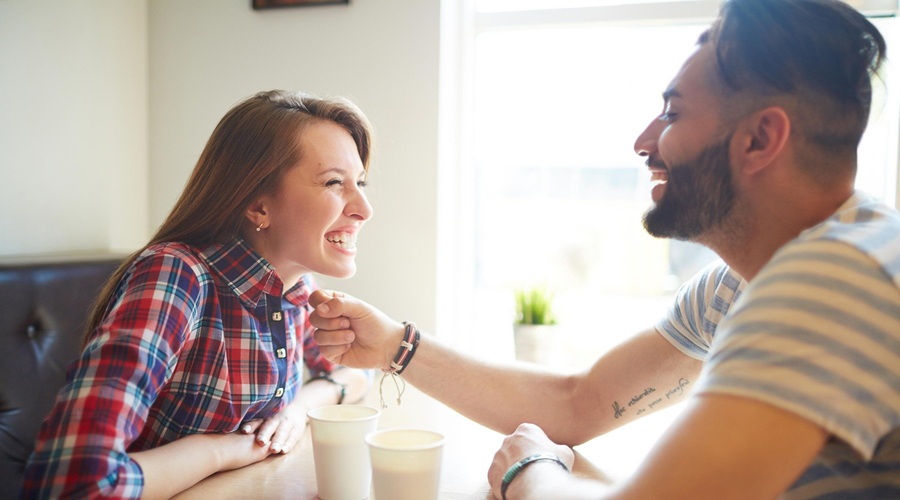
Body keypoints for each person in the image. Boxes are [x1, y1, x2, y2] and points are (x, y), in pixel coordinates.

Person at [308, 0, 900, 498]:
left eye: (673, 112)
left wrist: (529, 471)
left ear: (760, 139)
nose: (644, 142)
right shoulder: (737, 285)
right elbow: (579, 402)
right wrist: (393, 345)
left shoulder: (838, 279)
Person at [22, 90, 374, 499]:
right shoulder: (176, 275)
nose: (365, 209)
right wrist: (218, 451)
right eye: (335, 182)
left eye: (361, 183)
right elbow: (74, 485)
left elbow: (354, 371)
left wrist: (296, 410)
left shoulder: (294, 288)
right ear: (259, 205)